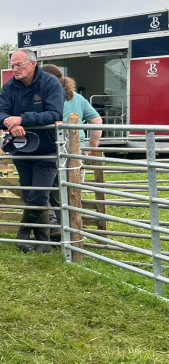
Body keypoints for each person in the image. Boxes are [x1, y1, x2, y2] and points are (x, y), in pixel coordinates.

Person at [0, 48, 65, 253]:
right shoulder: (10, 87)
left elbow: (54, 114)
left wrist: (23, 119)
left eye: (18, 65)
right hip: (22, 149)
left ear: (32, 63)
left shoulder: (50, 83)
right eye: (12, 65)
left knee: (39, 195)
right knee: (29, 194)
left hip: (47, 148)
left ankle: (23, 233)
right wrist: (9, 122)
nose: (14, 69)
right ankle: (44, 243)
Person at [41, 64, 103, 242]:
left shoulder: (48, 98)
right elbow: (97, 121)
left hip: (54, 149)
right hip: (76, 151)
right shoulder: (78, 98)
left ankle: (56, 230)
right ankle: (72, 234)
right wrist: (91, 147)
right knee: (72, 193)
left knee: (50, 191)